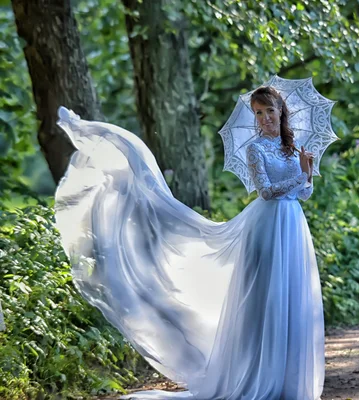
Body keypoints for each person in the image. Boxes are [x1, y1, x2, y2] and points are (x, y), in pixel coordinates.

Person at [53, 86, 325, 400]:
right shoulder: (255, 149)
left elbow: (303, 194)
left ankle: (287, 380)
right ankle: (258, 375)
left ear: (281, 111)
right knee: (268, 297)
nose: (264, 119)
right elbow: (264, 192)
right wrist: (299, 176)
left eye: (269, 111)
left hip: (292, 225)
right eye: (258, 113)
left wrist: (308, 174)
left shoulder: (294, 148)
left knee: (291, 295)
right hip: (267, 227)